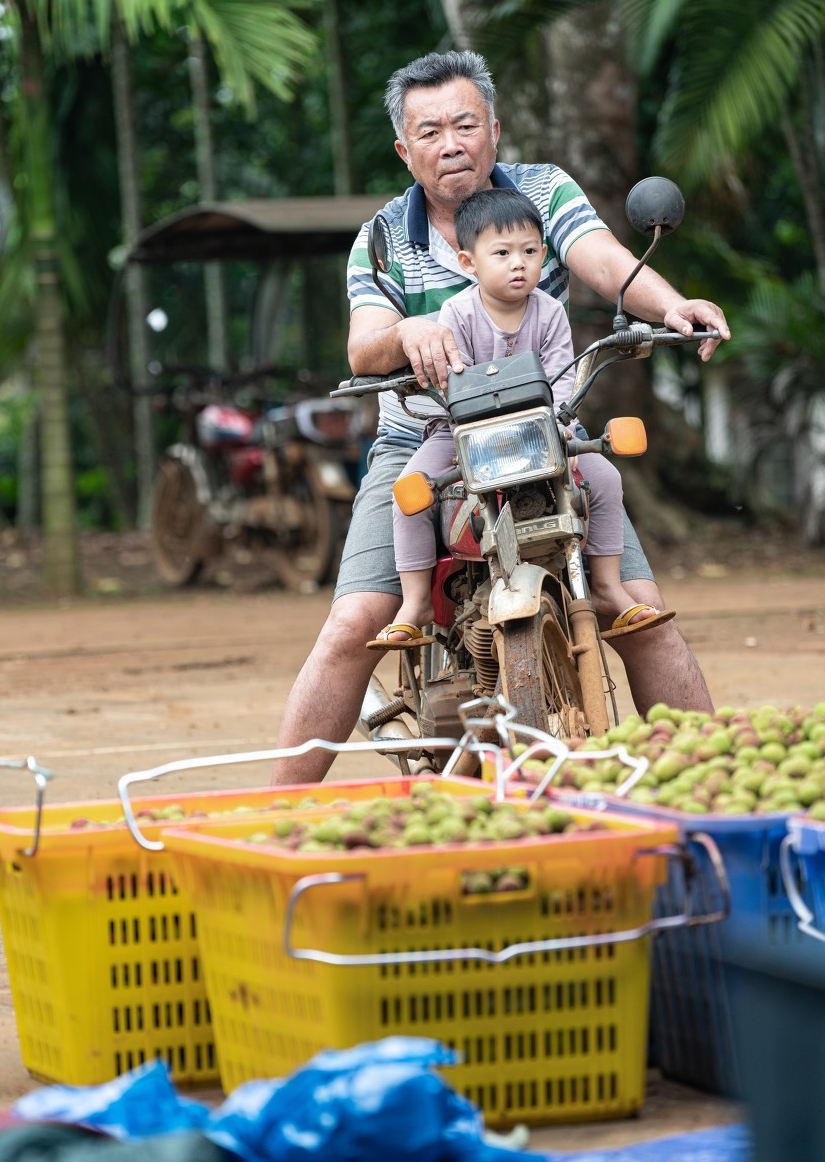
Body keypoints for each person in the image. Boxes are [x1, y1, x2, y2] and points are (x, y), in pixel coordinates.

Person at [271, 49, 730, 786]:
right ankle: (272, 817)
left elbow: (605, 260)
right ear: (404, 149)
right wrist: (405, 334)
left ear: (494, 129)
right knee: (355, 622)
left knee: (640, 608)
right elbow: (363, 344)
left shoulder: (544, 193)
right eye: (429, 132)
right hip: (421, 436)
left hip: (542, 431)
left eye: (464, 124)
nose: (450, 144)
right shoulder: (383, 237)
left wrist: (670, 305)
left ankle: (721, 794)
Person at [367, 187, 675, 651]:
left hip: (543, 434)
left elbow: (562, 378)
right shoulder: (457, 313)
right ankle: (415, 603)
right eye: (503, 253)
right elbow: (453, 382)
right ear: (469, 263)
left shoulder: (550, 313)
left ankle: (609, 587)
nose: (519, 263)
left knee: (606, 478)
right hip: (462, 435)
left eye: (530, 251)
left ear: (544, 255)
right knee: (410, 492)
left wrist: (561, 422)